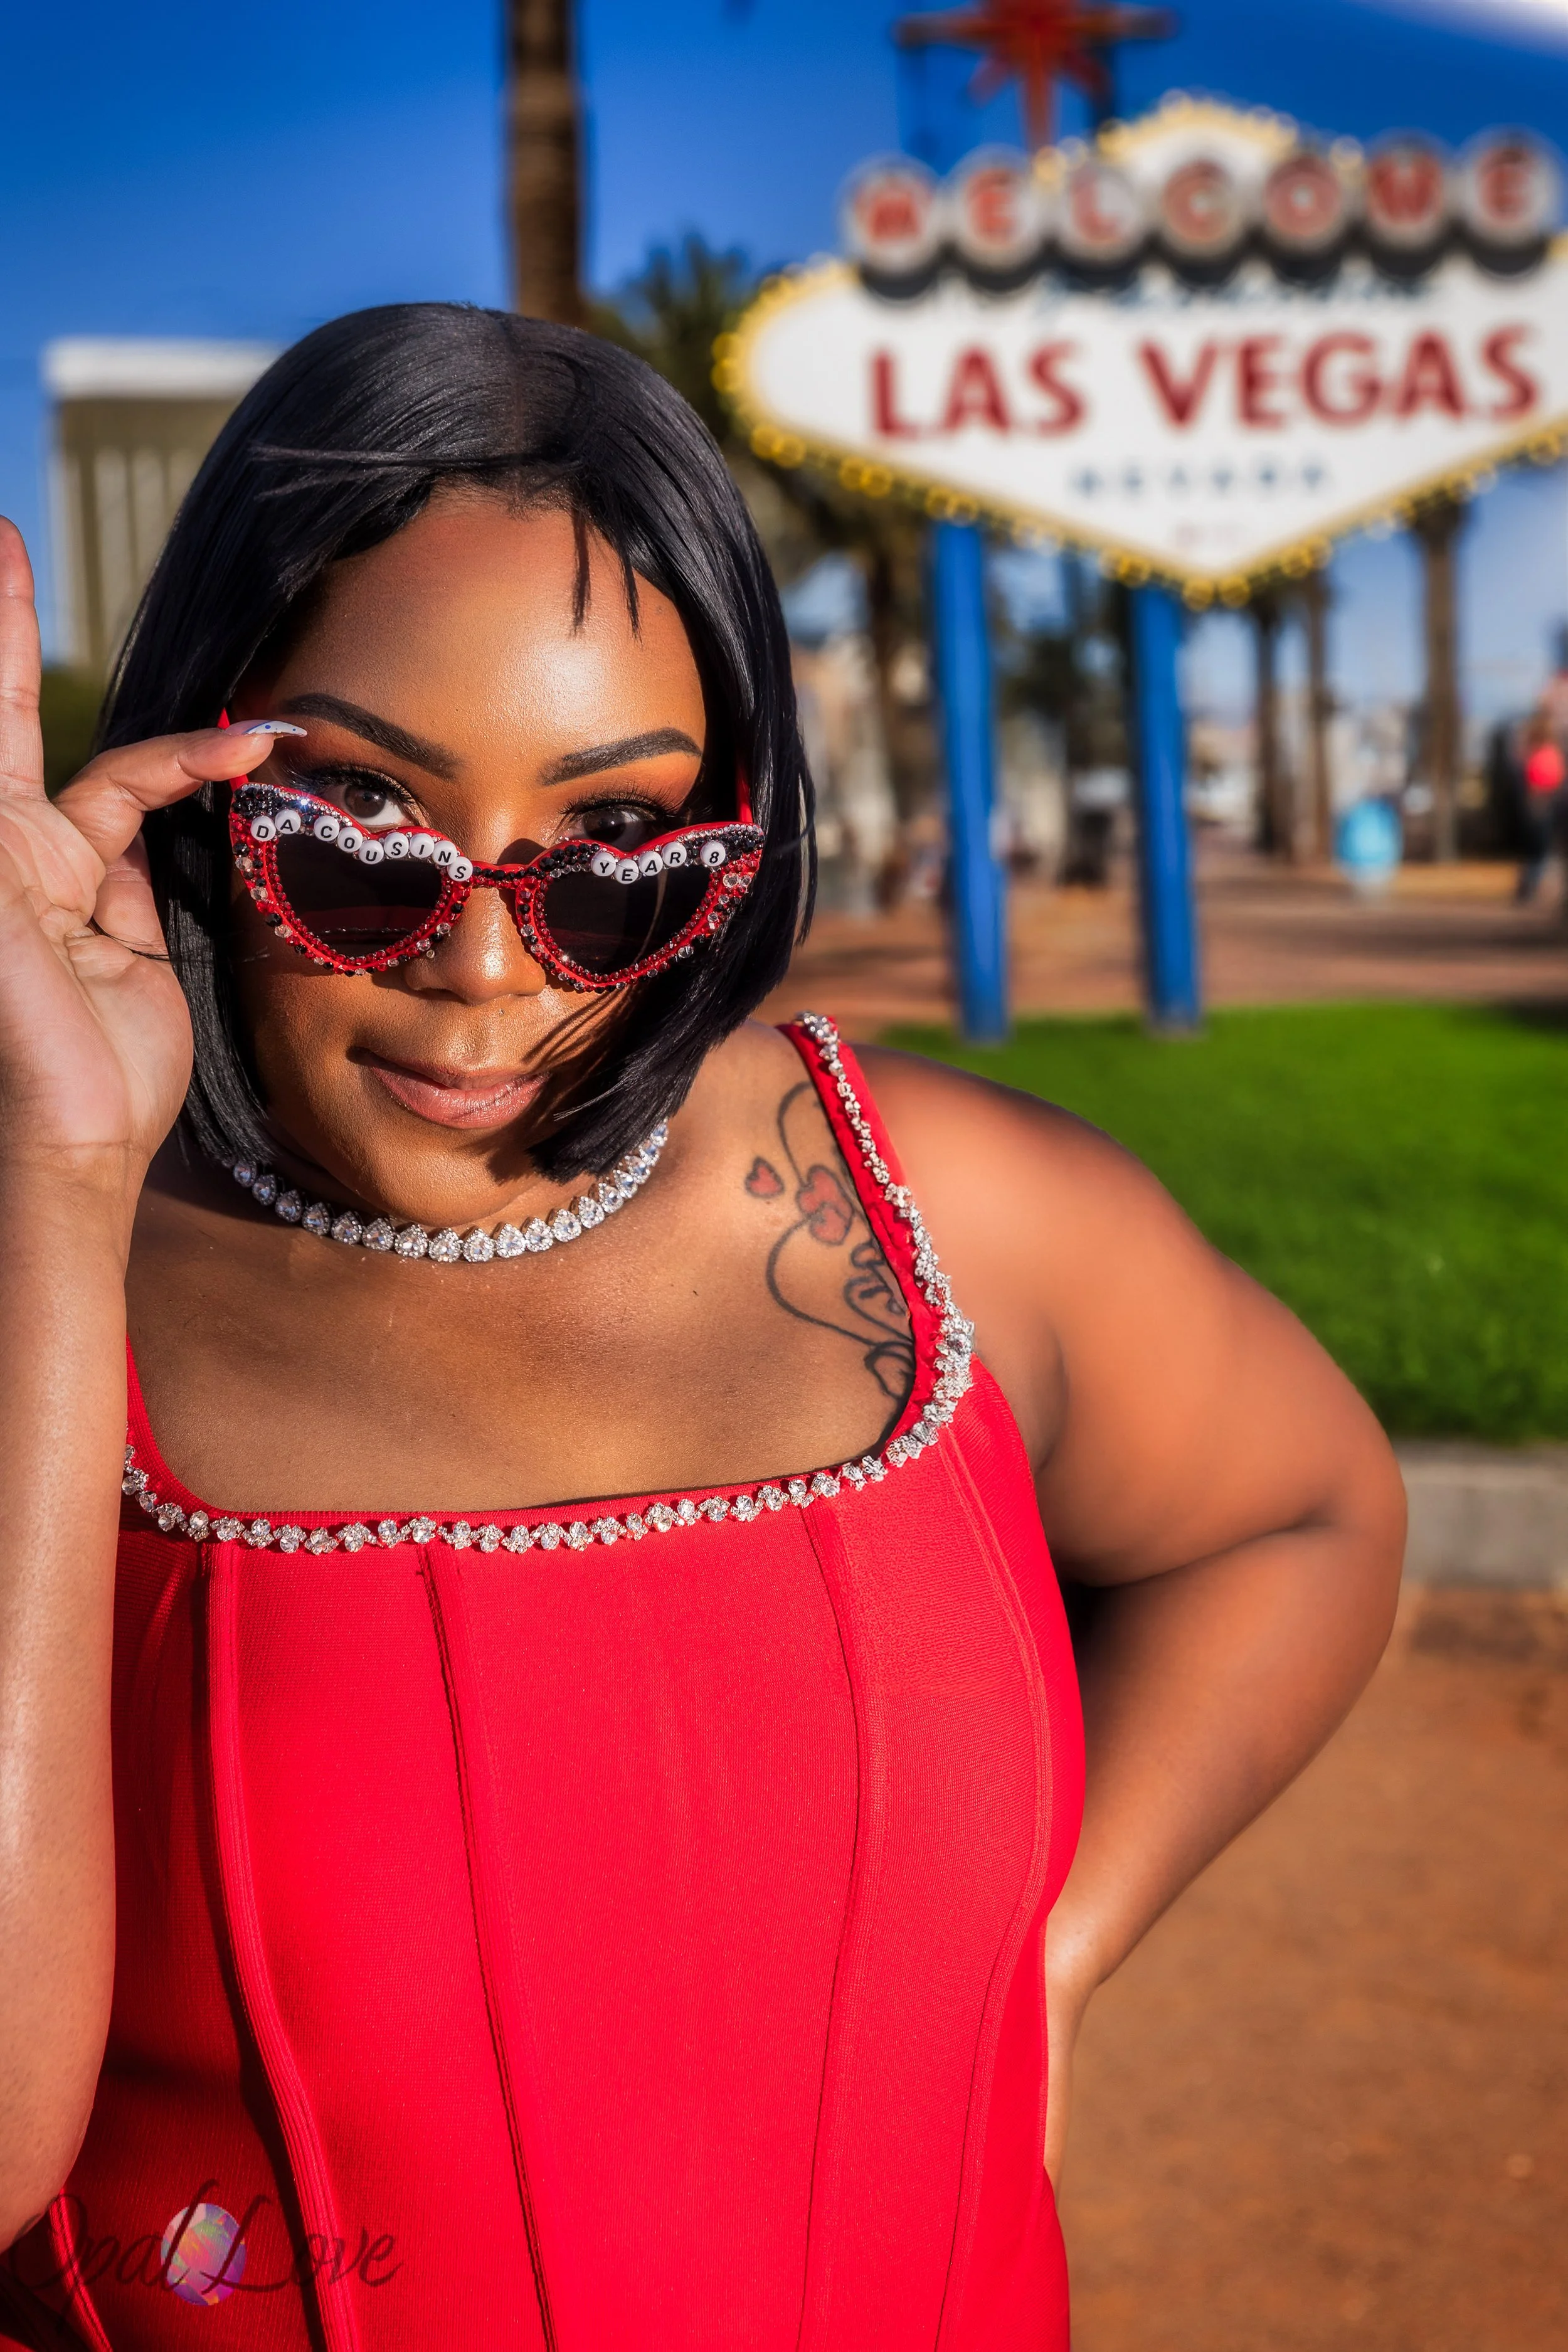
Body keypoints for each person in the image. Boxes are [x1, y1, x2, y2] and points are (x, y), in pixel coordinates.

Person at [0, 307, 1404, 2351]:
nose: (487, 966)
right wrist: (47, 1185)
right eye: (364, 844)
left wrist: (1058, 1949)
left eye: (613, 861)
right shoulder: (54, 1282)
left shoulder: (957, 1220)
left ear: (737, 835)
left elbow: (1299, 1517)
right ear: (201, 791)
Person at [1514, 707, 1566, 903]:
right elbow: (1542, 781)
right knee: (1540, 851)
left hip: (1546, 803)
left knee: (1539, 851)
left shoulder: (1539, 753)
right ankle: (1529, 889)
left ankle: (1529, 888)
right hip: (1542, 803)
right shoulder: (1543, 753)